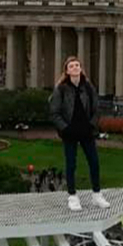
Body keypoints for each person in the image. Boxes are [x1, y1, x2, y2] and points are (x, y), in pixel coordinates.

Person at [49, 56, 110, 211]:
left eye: (77, 65)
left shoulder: (88, 88)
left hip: (86, 131)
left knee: (94, 163)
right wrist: (65, 128)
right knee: (71, 164)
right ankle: (72, 197)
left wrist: (92, 125)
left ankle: (97, 195)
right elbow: (54, 113)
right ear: (67, 71)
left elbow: (97, 109)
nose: (75, 68)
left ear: (81, 69)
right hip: (70, 132)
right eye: (72, 66)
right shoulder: (61, 89)